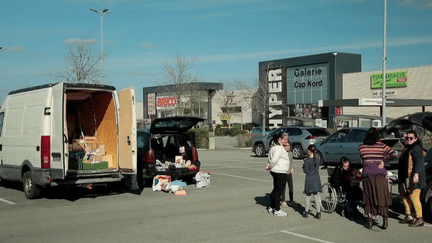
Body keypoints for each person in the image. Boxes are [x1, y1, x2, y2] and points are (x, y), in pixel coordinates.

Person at [359, 128, 398, 230]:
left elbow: (362, 160)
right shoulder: (382, 147)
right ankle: (385, 220)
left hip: (367, 175)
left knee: (369, 197)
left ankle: (370, 221)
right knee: (382, 197)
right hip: (380, 175)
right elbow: (394, 155)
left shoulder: (362, 147)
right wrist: (384, 162)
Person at [398, 130, 426, 227]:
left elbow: (419, 162)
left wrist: (416, 174)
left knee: (414, 197)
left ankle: (419, 218)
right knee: (404, 196)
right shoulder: (406, 148)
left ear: (415, 139)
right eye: (407, 138)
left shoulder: (416, 149)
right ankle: (408, 215)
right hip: (405, 177)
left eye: (411, 138)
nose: (408, 140)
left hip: (413, 177)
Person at [265, 132, 291, 217]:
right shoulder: (279, 148)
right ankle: (277, 209)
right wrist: (269, 165)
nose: (286, 141)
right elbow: (274, 159)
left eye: (287, 139)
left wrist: (270, 165)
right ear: (279, 139)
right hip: (279, 171)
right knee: (279, 191)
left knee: (276, 189)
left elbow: (270, 158)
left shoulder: (274, 147)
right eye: (284, 139)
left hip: (277, 170)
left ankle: (272, 207)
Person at [302, 144, 322, 219]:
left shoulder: (307, 160)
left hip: (309, 178)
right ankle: (318, 212)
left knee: (308, 195)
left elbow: (306, 171)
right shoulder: (317, 159)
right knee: (316, 195)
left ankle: (306, 212)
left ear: (309, 151)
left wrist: (303, 166)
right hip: (316, 178)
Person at [281, 141, 295, 208]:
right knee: (283, 187)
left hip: (289, 173)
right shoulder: (281, 154)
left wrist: (292, 168)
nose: (287, 147)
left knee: (291, 187)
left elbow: (291, 162)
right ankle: (283, 201)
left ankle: (291, 200)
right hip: (283, 173)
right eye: (286, 146)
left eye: (288, 146)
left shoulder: (290, 154)